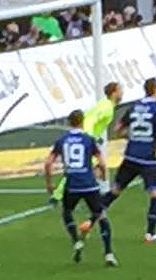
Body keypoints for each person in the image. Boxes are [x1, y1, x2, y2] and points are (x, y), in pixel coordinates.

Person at [103, 78, 156, 244]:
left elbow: (117, 130)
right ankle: (150, 233)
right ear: (155, 89)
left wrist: (133, 136)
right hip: (147, 158)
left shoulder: (133, 106)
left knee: (116, 189)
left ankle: (91, 218)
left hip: (130, 156)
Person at [44, 109, 116, 266]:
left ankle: (76, 240)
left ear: (69, 122)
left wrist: (49, 183)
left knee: (67, 211)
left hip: (72, 184)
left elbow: (48, 163)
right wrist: (103, 176)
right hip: (89, 184)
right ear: (82, 121)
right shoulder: (89, 139)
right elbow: (102, 162)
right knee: (101, 215)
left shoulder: (62, 140)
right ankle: (109, 253)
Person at [52, 82, 122, 203]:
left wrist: (95, 136)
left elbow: (89, 117)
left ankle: (65, 194)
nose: (122, 92)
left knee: (87, 167)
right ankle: (63, 194)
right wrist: (88, 137)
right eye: (120, 90)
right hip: (86, 139)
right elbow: (90, 119)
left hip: (87, 136)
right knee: (84, 166)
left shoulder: (104, 103)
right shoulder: (107, 108)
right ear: (114, 93)